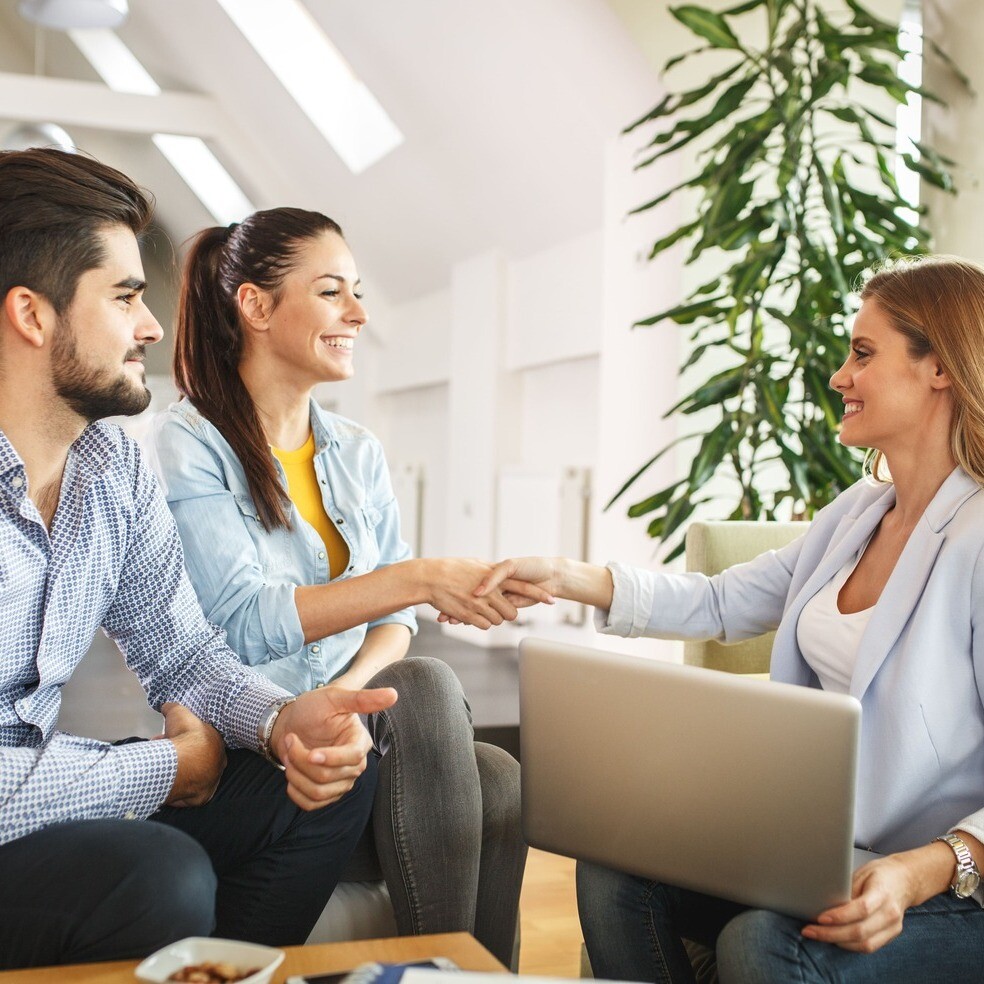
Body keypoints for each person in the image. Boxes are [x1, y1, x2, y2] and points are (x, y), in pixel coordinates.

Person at [476, 255, 984, 981]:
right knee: (616, 872)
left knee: (759, 942)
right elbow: (720, 602)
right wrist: (565, 578)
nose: (840, 376)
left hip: (949, 887)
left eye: (862, 354)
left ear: (939, 366)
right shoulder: (859, 512)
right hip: (825, 854)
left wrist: (928, 869)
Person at [0, 148, 400, 971]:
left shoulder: (112, 467)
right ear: (33, 316)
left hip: (51, 795)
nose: (151, 326)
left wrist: (282, 724)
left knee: (322, 780)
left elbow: (182, 652)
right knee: (159, 874)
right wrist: (160, 770)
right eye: (124, 298)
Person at [145, 207, 543, 966]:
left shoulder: (356, 451)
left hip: (348, 722)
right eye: (333, 292)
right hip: (251, 735)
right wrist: (417, 578)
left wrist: (355, 699)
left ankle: (447, 978)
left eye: (357, 291)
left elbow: (394, 624)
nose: (359, 313)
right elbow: (242, 623)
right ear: (255, 307)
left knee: (489, 765)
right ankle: (445, 975)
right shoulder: (188, 444)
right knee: (475, 759)